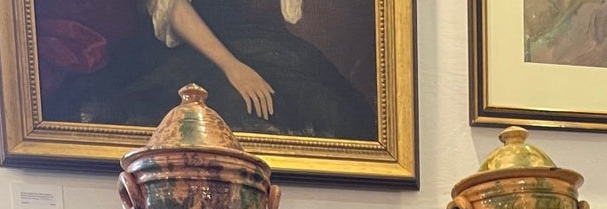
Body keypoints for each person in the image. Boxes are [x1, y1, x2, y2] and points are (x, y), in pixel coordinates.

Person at [38, 0, 377, 141]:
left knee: (336, 113)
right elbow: (173, 8)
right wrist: (232, 66)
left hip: (273, 46)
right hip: (207, 49)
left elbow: (289, 14)